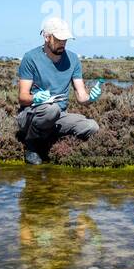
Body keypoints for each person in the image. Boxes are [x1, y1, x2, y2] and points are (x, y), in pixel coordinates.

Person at [15, 16, 102, 164]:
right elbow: (22, 97)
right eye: (59, 39)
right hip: (31, 114)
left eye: (65, 40)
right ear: (47, 37)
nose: (63, 43)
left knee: (91, 126)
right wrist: (35, 98)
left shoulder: (73, 59)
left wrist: (90, 98)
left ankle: (49, 139)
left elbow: (81, 97)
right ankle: (31, 146)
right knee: (51, 110)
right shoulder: (30, 58)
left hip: (59, 115)